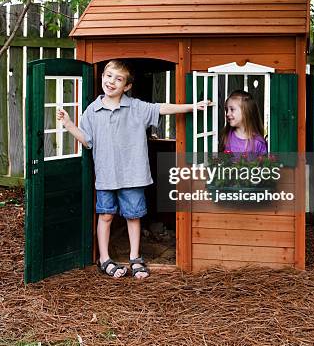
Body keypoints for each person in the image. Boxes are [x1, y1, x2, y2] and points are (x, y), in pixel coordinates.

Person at [57, 59, 209, 280]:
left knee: (133, 216)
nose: (111, 82)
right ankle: (104, 259)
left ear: (126, 86)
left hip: (133, 176)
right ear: (102, 78)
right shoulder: (92, 110)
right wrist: (70, 125)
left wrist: (191, 107)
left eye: (118, 79)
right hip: (106, 176)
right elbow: (88, 141)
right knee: (106, 216)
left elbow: (162, 108)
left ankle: (135, 258)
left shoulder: (136, 107)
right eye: (108, 76)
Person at [220, 89, 267, 156]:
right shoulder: (226, 137)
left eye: (232, 109)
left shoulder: (258, 142)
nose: (227, 114)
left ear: (246, 112)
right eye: (227, 110)